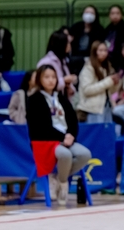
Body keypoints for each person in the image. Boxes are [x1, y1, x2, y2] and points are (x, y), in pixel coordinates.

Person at [26, 65, 91, 206]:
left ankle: (59, 179)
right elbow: (41, 127)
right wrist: (63, 138)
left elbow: (73, 120)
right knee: (65, 155)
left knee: (85, 154)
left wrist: (71, 135)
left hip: (65, 139)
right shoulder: (33, 100)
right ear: (39, 79)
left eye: (53, 77)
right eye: (46, 77)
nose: (51, 80)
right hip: (44, 141)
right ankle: (63, 185)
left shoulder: (61, 98)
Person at [77, 41, 120, 123]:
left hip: (107, 107)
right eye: (100, 50)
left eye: (105, 50)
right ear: (94, 51)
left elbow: (111, 91)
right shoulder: (88, 68)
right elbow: (87, 90)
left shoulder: (107, 67)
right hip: (92, 109)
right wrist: (108, 81)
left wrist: (115, 83)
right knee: (96, 131)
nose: (103, 53)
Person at [37, 30, 77, 99]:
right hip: (48, 99)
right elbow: (43, 84)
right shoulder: (46, 62)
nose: (69, 45)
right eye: (67, 43)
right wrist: (64, 80)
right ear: (60, 44)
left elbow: (68, 85)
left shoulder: (63, 60)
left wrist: (71, 88)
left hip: (63, 99)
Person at [70, 5, 105, 75]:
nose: (89, 15)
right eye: (87, 12)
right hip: (75, 56)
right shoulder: (76, 27)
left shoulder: (99, 30)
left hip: (91, 57)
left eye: (91, 13)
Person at [104, 4, 124, 70]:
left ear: (122, 15)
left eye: (118, 13)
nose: (115, 16)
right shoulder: (106, 30)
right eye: (112, 13)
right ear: (109, 15)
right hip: (106, 59)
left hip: (120, 61)